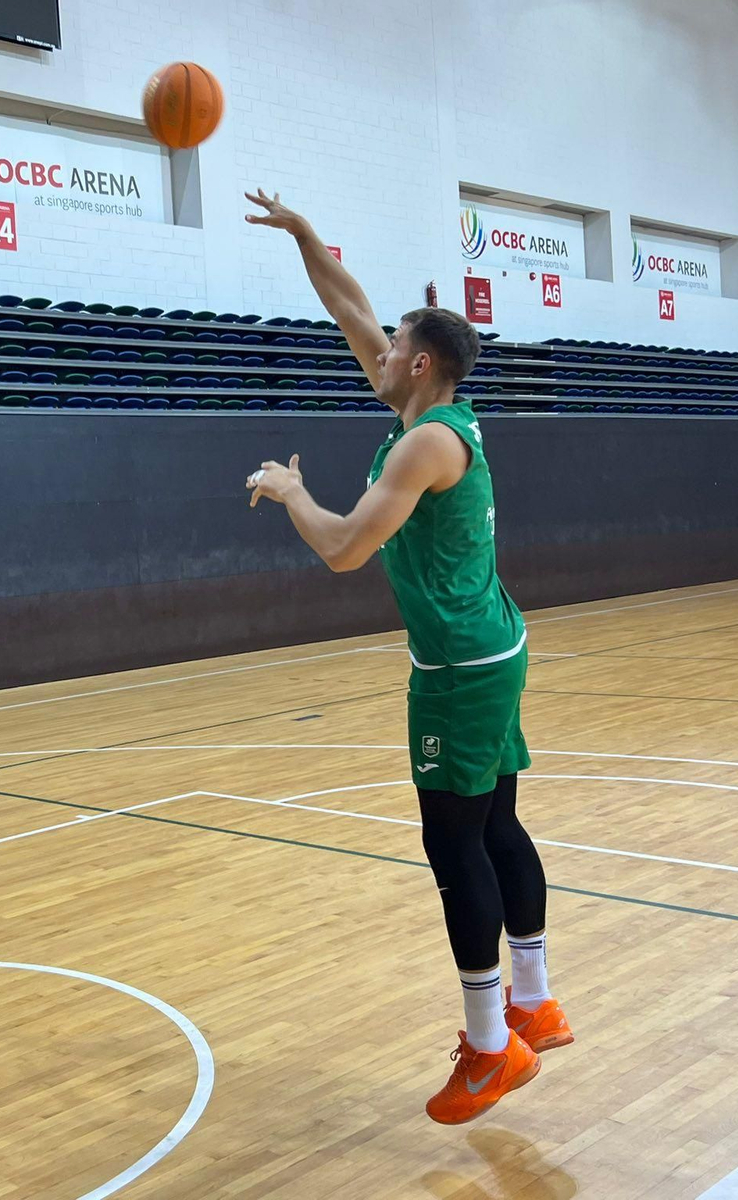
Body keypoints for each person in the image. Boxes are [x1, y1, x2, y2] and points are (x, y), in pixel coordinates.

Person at [242, 188, 574, 1125]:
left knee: (452, 841)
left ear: (419, 364)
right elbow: (350, 306)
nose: (373, 350)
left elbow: (345, 546)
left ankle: (486, 1050)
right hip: (492, 642)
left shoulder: (425, 443)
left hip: (461, 667)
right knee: (497, 822)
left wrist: (290, 489)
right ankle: (535, 1001)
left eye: (390, 347)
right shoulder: (429, 409)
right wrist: (308, 235)